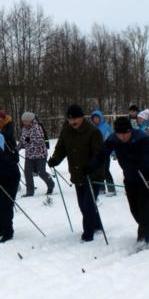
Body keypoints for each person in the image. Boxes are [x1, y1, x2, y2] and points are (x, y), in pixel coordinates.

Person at [86, 116, 149, 251]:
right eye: (119, 134)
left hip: (146, 176)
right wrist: (91, 167)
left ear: (130, 130)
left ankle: (144, 236)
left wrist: (141, 164)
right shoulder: (114, 139)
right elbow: (102, 154)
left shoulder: (141, 138)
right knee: (134, 209)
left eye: (125, 134)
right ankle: (147, 226)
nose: (122, 137)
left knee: (145, 207)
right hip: (130, 177)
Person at [47, 104, 107, 242]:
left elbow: (99, 155)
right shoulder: (66, 131)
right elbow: (61, 148)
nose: (73, 122)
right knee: (83, 205)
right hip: (77, 174)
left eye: (76, 119)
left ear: (82, 117)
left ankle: (88, 233)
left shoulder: (93, 132)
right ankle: (96, 224)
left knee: (88, 204)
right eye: (70, 119)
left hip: (93, 174)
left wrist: (91, 167)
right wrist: (55, 160)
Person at [16, 111, 55, 197]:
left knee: (41, 172)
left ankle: (50, 184)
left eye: (25, 121)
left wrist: (28, 140)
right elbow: (23, 140)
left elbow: (39, 140)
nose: (24, 122)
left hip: (40, 154)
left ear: (30, 120)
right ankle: (30, 191)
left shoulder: (37, 127)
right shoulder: (24, 128)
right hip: (29, 155)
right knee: (27, 172)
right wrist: (16, 149)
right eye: (23, 121)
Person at [89, 111, 116, 196]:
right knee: (98, 171)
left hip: (105, 152)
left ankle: (111, 189)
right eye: (94, 118)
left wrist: (113, 153)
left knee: (106, 170)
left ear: (100, 118)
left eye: (97, 118)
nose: (96, 120)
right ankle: (101, 188)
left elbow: (112, 140)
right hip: (96, 153)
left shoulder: (106, 127)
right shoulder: (92, 128)